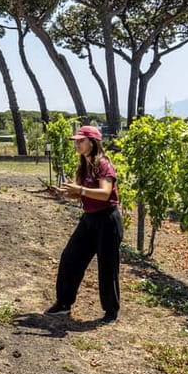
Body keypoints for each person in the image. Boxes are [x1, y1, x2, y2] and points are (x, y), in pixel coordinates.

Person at [46, 125, 122, 324]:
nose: (77, 144)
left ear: (93, 142)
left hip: (107, 220)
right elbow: (80, 194)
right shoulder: (84, 165)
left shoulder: (104, 164)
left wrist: (79, 190)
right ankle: (63, 304)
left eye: (81, 140)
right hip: (89, 218)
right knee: (70, 257)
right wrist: (63, 193)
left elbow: (105, 193)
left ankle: (110, 312)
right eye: (76, 141)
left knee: (107, 266)